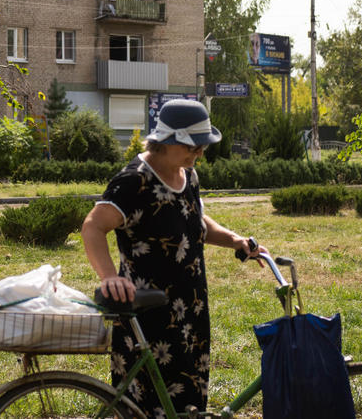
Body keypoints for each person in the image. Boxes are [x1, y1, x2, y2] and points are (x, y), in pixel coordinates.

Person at [81, 99, 267, 415]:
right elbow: (92, 227)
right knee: (146, 403)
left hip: (190, 310)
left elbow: (194, 223)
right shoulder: (134, 181)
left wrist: (235, 241)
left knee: (187, 402)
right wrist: (109, 277)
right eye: (194, 146)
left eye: (202, 147)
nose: (200, 153)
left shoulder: (187, 176)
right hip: (148, 312)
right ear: (168, 142)